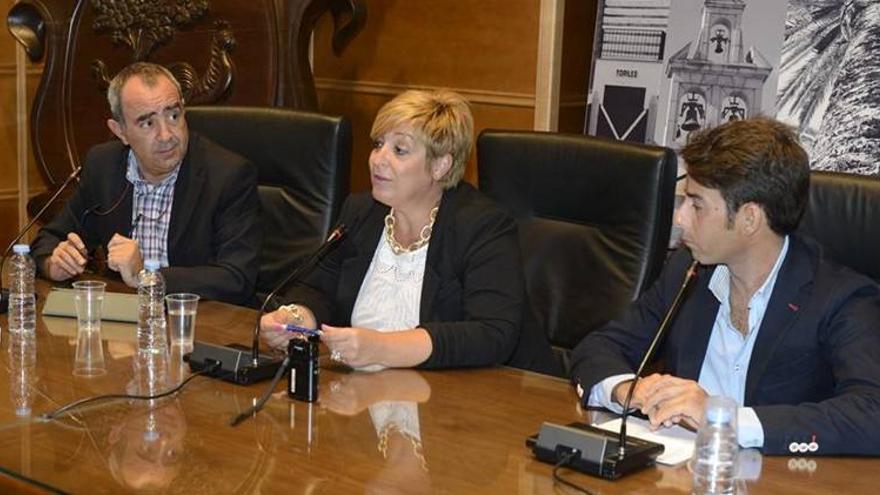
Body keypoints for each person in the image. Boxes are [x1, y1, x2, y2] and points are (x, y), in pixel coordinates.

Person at [570, 117, 880, 455]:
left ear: (749, 218)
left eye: (697, 205)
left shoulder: (840, 298)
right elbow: (598, 348)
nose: (680, 218)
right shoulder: (687, 272)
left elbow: (871, 414)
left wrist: (724, 418)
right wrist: (630, 390)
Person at [260, 89, 556, 374]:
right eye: (378, 144)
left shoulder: (482, 226)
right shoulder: (362, 212)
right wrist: (296, 319)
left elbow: (491, 333)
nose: (378, 159)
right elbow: (319, 288)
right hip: (375, 393)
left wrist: (383, 348)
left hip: (485, 402)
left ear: (440, 165)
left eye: (399, 150)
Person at [31, 62, 261, 304]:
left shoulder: (228, 175)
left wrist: (147, 277)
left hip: (197, 322)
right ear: (120, 131)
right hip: (122, 319)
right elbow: (50, 238)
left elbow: (237, 278)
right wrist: (52, 263)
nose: (166, 135)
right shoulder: (104, 166)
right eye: (148, 123)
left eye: (173, 115)